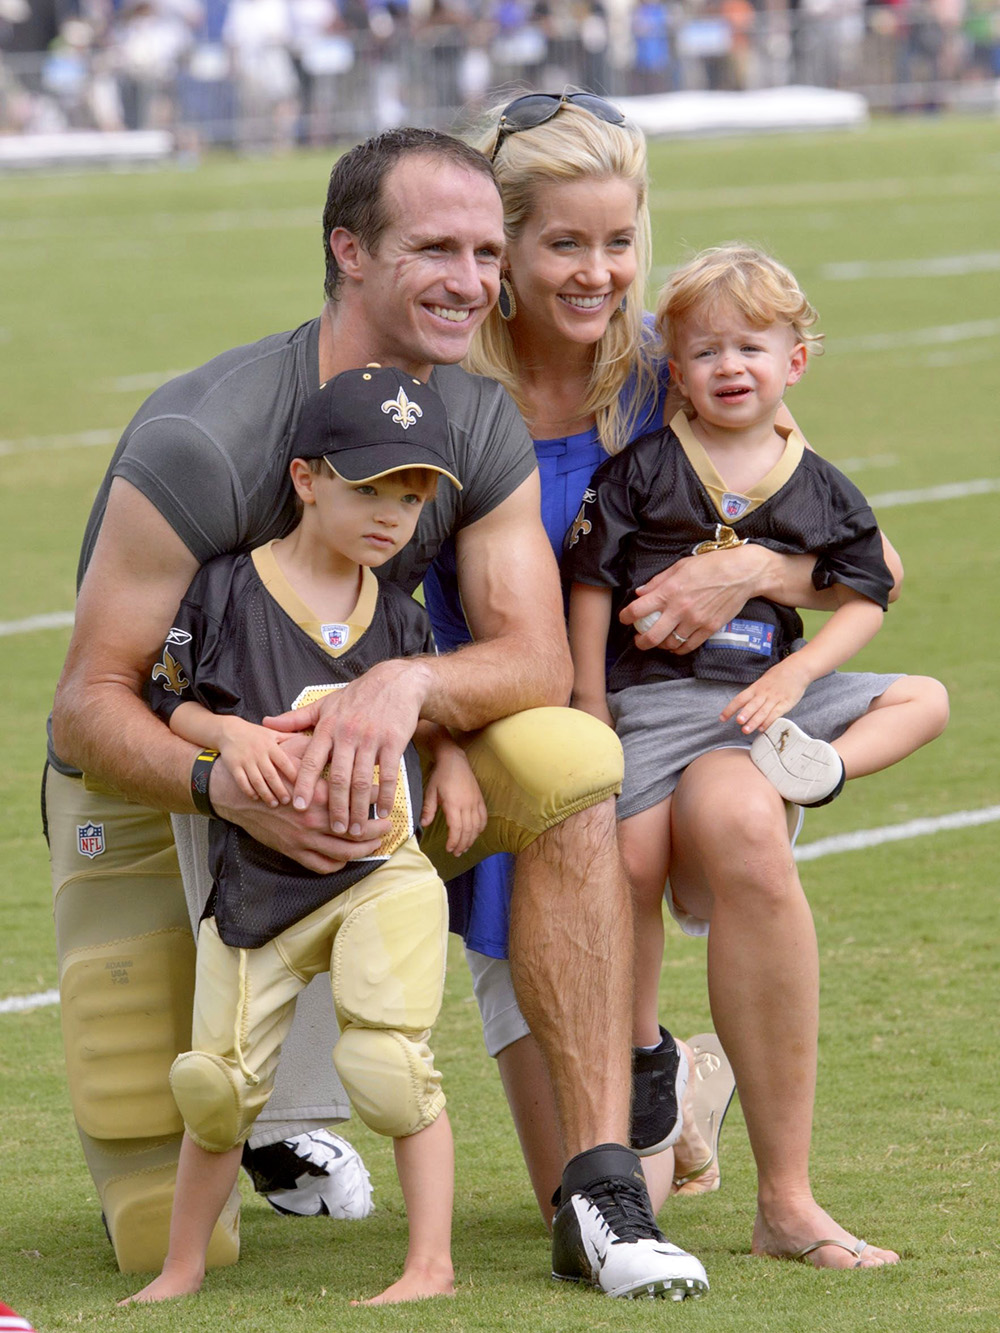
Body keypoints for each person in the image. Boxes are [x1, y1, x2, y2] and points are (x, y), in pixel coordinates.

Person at [46, 126, 706, 1300]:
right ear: (348, 250)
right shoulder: (208, 441)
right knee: (161, 1234)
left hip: (369, 766)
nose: (473, 281)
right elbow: (88, 708)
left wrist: (409, 693)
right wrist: (222, 779)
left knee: (566, 756)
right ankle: (267, 1107)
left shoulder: (475, 416)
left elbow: (534, 657)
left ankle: (600, 1183)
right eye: (435, 249)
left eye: (485, 250)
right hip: (174, 777)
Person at [425, 93, 906, 1269]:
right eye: (564, 244)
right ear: (505, 246)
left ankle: (786, 1201)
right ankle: (680, 1080)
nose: (598, 273)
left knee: (739, 819)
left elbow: (867, 560)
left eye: (619, 240)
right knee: (570, 1201)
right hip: (500, 740)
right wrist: (440, 738)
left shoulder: (672, 371)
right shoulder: (443, 387)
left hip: (666, 725)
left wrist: (747, 569)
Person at [564, 246, 950, 1170]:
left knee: (925, 697)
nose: (730, 368)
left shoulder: (814, 479)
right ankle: (649, 1049)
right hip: (656, 702)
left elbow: (869, 589)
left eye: (751, 349)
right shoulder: (647, 468)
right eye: (705, 354)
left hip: (762, 709)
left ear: (796, 361)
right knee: (632, 858)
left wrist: (802, 677)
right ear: (676, 372)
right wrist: (588, 695)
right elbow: (588, 577)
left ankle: (828, 769)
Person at [121, 366, 474, 1307]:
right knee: (218, 1090)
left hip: (375, 869)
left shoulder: (400, 616)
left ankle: (429, 1266)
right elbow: (171, 703)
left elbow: (431, 714)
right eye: (368, 488)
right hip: (260, 885)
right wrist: (228, 734)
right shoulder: (229, 588)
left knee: (391, 1068)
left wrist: (457, 763)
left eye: (411, 496)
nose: (391, 515)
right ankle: (183, 1265)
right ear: (307, 477)